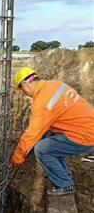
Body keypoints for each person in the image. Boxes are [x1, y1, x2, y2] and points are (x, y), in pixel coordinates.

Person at [12, 67, 94, 196]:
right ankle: (62, 173)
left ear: (25, 85)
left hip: (85, 137)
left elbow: (32, 134)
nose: (24, 93)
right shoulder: (57, 85)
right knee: (48, 135)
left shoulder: (42, 103)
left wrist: (18, 157)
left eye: (22, 90)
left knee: (42, 148)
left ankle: (65, 185)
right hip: (87, 127)